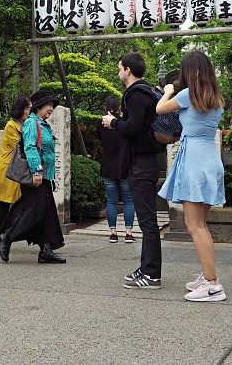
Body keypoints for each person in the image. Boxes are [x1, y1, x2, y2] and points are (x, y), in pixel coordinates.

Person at [156, 51, 227, 301]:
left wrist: (167, 90)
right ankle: (207, 275)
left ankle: (213, 284)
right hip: (209, 159)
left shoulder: (187, 95)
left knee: (194, 225)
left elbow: (160, 108)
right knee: (201, 225)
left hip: (195, 161)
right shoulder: (216, 97)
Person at [101, 52, 160, 290]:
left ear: (127, 70)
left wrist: (113, 122)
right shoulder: (145, 92)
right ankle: (146, 268)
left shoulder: (136, 94)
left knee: (147, 221)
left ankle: (152, 274)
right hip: (143, 161)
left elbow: (134, 128)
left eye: (119, 68)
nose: (118, 72)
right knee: (146, 220)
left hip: (142, 163)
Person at [0, 89, 66, 265]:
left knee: (47, 213)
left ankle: (46, 250)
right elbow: (30, 148)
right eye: (49, 105)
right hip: (37, 176)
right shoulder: (31, 124)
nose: (51, 108)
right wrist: (37, 171)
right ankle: (6, 237)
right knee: (35, 212)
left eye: (52, 105)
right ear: (39, 106)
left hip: (44, 177)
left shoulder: (42, 124)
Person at [0, 95, 29, 252]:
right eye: (28, 108)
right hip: (8, 172)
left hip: (14, 171)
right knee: (3, 207)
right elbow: (21, 145)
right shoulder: (12, 126)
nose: (29, 112)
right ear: (21, 109)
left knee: (8, 207)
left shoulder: (22, 125)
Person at [98, 96, 135, 244]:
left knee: (111, 200)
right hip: (124, 165)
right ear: (119, 107)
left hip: (108, 165)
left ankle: (113, 233)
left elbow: (101, 139)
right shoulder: (124, 123)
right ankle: (128, 233)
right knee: (128, 200)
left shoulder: (100, 123)